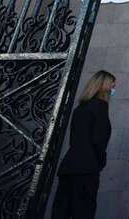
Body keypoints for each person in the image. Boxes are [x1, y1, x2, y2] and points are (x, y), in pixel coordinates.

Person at [52, 70, 115, 219]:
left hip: (69, 166)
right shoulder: (100, 107)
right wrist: (100, 161)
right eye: (112, 86)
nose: (113, 91)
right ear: (104, 87)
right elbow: (99, 140)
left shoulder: (81, 108)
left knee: (62, 212)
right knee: (83, 212)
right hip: (86, 169)